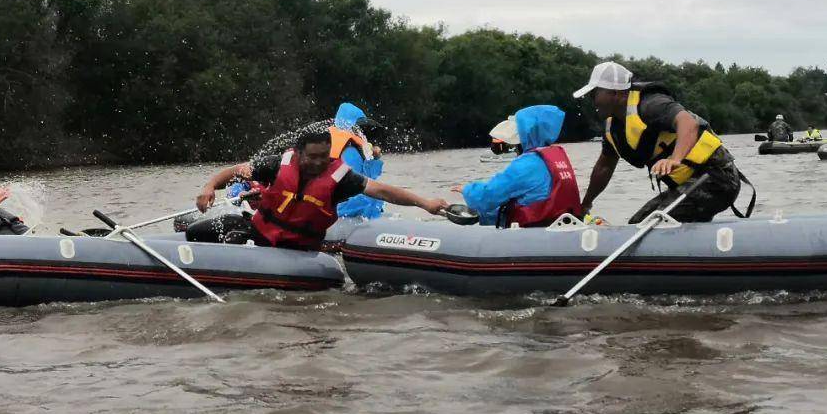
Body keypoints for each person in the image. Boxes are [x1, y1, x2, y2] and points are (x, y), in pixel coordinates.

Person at [192, 131, 447, 250]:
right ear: (299, 153)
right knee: (197, 231)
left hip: (298, 247)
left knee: (232, 241)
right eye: (312, 157)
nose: (318, 163)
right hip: (261, 231)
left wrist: (425, 204)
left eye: (324, 157)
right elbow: (235, 171)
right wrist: (209, 186)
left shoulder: (340, 178)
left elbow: (383, 191)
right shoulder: (276, 164)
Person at [574, 61, 754, 223]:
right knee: (637, 223)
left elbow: (688, 123)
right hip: (688, 185)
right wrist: (585, 204)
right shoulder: (612, 128)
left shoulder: (651, 104)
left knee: (649, 225)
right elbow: (604, 167)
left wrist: (675, 159)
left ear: (616, 93)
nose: (592, 100)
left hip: (716, 179)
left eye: (595, 94)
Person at [459, 105, 582, 227]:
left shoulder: (526, 164)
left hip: (536, 230)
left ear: (526, 133)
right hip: (561, 224)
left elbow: (487, 197)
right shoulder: (555, 157)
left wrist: (466, 190)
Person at [328, 102, 385, 219]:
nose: (363, 132)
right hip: (344, 211)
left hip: (336, 206)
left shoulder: (335, 146)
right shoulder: (350, 152)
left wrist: (374, 158)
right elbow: (365, 182)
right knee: (375, 196)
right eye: (360, 127)